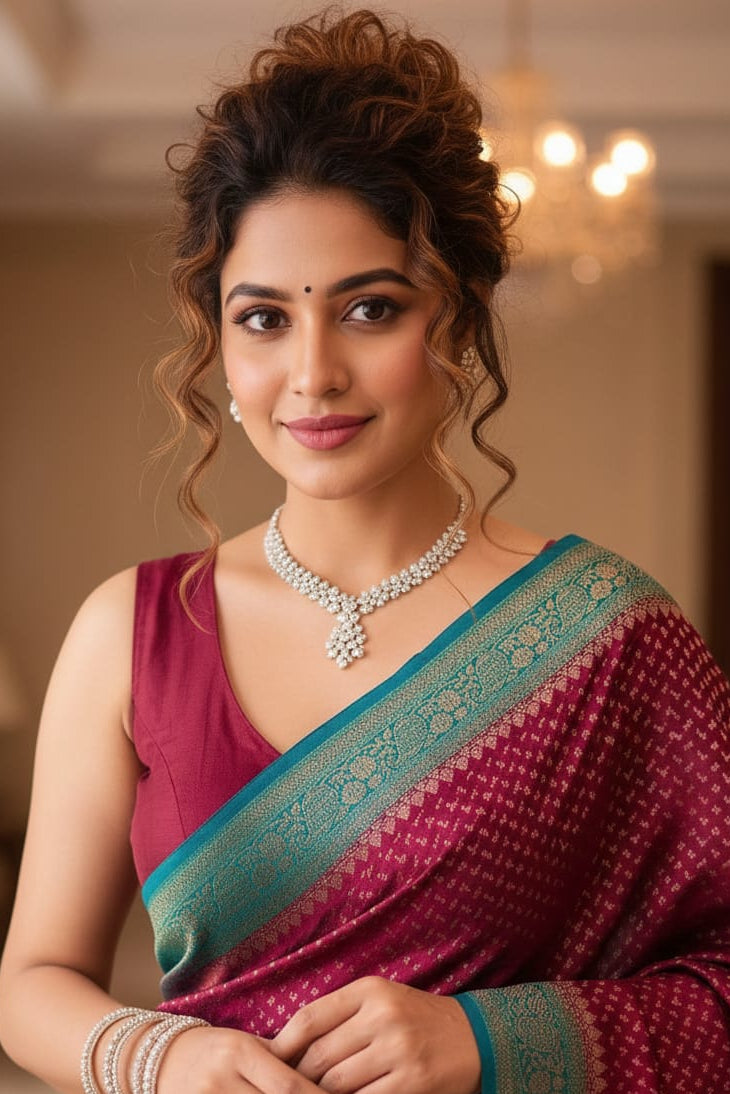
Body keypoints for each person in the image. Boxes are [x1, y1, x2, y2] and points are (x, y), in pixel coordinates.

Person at [1, 7, 730, 1093]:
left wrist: (488, 1039)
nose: (312, 375)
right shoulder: (132, 631)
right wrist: (166, 1055)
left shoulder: (611, 637)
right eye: (263, 318)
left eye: (369, 309)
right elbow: (32, 980)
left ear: (459, 319)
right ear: (218, 341)